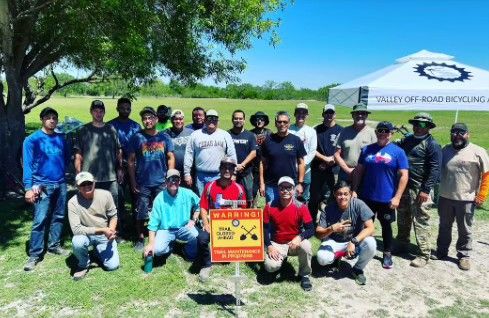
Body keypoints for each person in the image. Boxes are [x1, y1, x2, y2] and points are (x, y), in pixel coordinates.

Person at [432, 123, 489, 271]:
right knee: (444, 227)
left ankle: (464, 256)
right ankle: (441, 251)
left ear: (467, 134)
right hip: (445, 197)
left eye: (461, 133)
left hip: (467, 199)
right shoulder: (445, 150)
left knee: (465, 229)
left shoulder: (478, 151)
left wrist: (482, 195)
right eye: (454, 132)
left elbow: (486, 175)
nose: (457, 135)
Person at [352, 121, 409, 269]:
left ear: (391, 133)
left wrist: (397, 197)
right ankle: (362, 249)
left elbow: (404, 175)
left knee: (386, 226)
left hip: (386, 198)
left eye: (386, 131)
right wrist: (355, 190)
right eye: (380, 130)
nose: (382, 133)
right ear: (376, 132)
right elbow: (359, 171)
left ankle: (387, 252)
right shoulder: (366, 150)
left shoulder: (398, 152)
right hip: (367, 196)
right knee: (365, 225)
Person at [23, 107, 70, 271]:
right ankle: (35, 254)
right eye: (48, 117)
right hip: (41, 185)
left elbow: (66, 157)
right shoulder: (32, 140)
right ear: (42, 119)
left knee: (59, 216)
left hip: (61, 183)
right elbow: (27, 165)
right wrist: (28, 188)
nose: (52, 120)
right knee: (40, 219)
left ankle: (54, 245)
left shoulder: (61, 139)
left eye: (54, 118)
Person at [396, 113, 442, 267]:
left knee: (421, 221)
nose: (417, 126)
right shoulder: (407, 140)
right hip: (404, 187)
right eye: (415, 123)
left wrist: (426, 189)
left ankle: (424, 254)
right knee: (403, 217)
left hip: (420, 189)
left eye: (422, 124)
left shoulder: (432, 144)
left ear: (428, 127)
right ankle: (402, 244)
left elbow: (435, 169)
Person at [128, 107, 175, 252]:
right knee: (141, 211)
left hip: (161, 182)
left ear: (156, 119)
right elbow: (130, 161)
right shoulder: (137, 137)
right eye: (144, 118)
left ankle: (161, 236)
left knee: (162, 210)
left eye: (150, 118)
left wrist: (170, 177)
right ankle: (141, 237)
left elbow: (170, 157)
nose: (147, 121)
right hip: (143, 182)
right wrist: (133, 181)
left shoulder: (165, 137)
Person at [315, 181, 376, 285]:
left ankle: (357, 269)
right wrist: (331, 229)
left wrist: (353, 241)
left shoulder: (358, 204)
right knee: (322, 258)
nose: (342, 197)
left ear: (351, 194)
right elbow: (318, 234)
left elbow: (371, 228)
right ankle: (335, 259)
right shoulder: (328, 208)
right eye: (339, 194)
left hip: (353, 241)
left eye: (345, 194)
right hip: (334, 241)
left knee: (371, 243)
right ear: (334, 194)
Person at [197, 157, 247, 282]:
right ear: (219, 169)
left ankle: (227, 252)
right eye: (224, 167)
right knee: (202, 238)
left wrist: (235, 213)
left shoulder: (239, 188)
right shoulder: (210, 186)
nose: (227, 170)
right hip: (213, 224)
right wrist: (206, 223)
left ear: (234, 170)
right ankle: (206, 265)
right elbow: (203, 207)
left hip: (232, 226)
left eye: (230, 167)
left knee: (225, 259)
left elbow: (244, 211)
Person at [263, 176, 314, 291]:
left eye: (288, 188)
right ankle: (280, 261)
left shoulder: (301, 207)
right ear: (278, 189)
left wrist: (300, 237)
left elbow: (311, 229)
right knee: (270, 267)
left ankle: (305, 274)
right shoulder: (270, 206)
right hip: (277, 243)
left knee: (306, 246)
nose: (285, 191)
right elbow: (264, 229)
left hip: (294, 242)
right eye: (282, 188)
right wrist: (269, 246)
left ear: (293, 190)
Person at [68, 172, 120, 280]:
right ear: (77, 186)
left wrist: (111, 231)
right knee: (77, 241)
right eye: (83, 184)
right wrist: (102, 229)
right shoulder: (72, 202)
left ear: (94, 183)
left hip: (104, 235)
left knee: (112, 266)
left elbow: (113, 216)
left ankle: (96, 252)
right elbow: (76, 229)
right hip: (86, 234)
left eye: (89, 183)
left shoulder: (106, 195)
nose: (87, 186)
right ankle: (83, 264)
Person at [143, 169, 201, 263]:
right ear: (166, 181)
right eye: (170, 179)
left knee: (196, 236)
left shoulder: (188, 193)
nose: (173, 182)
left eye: (176, 179)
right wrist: (150, 244)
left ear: (180, 181)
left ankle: (187, 251)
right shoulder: (159, 199)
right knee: (157, 250)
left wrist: (194, 219)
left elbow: (200, 204)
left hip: (184, 227)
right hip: (165, 229)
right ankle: (170, 247)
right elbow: (153, 223)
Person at [74, 100, 123, 208]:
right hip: (89, 177)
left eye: (101, 111)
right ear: (91, 112)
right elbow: (78, 155)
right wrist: (78, 174)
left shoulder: (111, 129)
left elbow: (118, 150)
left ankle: (114, 225)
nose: (98, 113)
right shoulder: (83, 130)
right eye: (95, 111)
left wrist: (119, 168)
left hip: (110, 177)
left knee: (113, 206)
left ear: (104, 112)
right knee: (92, 206)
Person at [107, 97, 141, 237]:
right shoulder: (110, 125)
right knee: (118, 198)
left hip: (134, 167)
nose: (125, 111)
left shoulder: (136, 126)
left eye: (127, 108)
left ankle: (136, 225)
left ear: (130, 110)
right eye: (122, 108)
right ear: (117, 108)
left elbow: (139, 147)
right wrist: (119, 166)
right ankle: (119, 227)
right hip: (117, 167)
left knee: (136, 196)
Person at [183, 109, 237, 195]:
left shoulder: (225, 135)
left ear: (218, 121)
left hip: (219, 175)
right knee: (201, 202)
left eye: (214, 119)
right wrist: (187, 173)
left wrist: (234, 173)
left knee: (218, 201)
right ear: (205, 120)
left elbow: (232, 154)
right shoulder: (195, 135)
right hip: (200, 176)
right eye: (209, 118)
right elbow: (189, 154)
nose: (212, 121)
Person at [260, 111, 306, 203]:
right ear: (275, 123)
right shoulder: (268, 140)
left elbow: (301, 163)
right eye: (279, 122)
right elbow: (262, 163)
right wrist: (262, 183)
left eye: (285, 122)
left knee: (291, 213)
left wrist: (300, 184)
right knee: (272, 212)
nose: (282, 124)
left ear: (289, 123)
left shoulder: (296, 140)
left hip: (291, 185)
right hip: (272, 185)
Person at [309, 104, 343, 222]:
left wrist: (332, 160)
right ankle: (312, 224)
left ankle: (329, 222)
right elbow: (311, 149)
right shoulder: (315, 130)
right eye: (327, 113)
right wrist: (324, 159)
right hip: (317, 168)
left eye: (331, 113)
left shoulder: (341, 130)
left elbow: (342, 150)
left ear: (335, 114)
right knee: (314, 197)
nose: (329, 115)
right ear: (323, 114)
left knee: (332, 197)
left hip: (334, 170)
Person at [334, 103, 377, 182]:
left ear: (366, 115)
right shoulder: (344, 131)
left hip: (366, 173)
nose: (360, 115)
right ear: (352, 115)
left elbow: (377, 155)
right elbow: (336, 154)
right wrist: (347, 170)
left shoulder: (373, 133)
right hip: (345, 173)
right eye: (357, 113)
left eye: (363, 113)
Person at [289, 103, 317, 204]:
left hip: (306, 169)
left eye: (304, 113)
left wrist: (302, 165)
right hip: (290, 168)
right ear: (294, 114)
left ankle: (303, 218)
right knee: (289, 194)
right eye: (298, 112)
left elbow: (312, 151)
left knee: (304, 196)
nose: (301, 115)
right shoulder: (289, 129)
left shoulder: (311, 131)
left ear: (307, 115)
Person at [229, 109, 257, 207]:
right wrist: (234, 166)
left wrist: (242, 164)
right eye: (236, 118)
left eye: (240, 118)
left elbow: (253, 152)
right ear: (232, 120)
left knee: (249, 198)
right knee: (230, 197)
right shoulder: (227, 134)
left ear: (244, 120)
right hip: (230, 172)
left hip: (246, 172)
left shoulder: (250, 135)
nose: (238, 120)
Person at [250, 111, 272, 207]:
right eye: (257, 119)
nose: (259, 121)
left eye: (262, 119)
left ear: (265, 121)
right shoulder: (250, 133)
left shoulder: (270, 133)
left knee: (268, 193)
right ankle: (253, 211)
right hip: (253, 168)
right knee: (253, 192)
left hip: (267, 168)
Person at [164, 109, 193, 180]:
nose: (178, 121)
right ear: (171, 120)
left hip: (189, 171)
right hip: (171, 170)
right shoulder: (165, 134)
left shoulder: (191, 133)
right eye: (176, 119)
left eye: (180, 119)